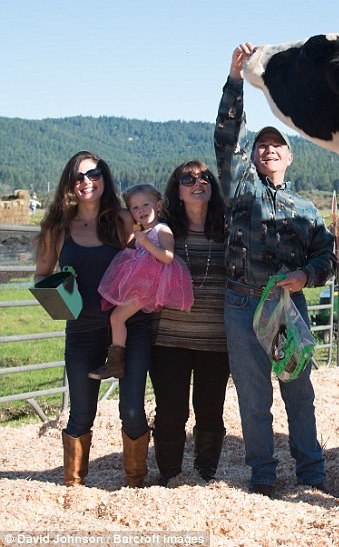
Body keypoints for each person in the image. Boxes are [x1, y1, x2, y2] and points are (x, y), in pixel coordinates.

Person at [215, 43, 337, 498]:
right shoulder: (240, 189)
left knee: (298, 394)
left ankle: (311, 473)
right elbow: (229, 135)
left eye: (277, 144)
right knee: (253, 398)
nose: (268, 148)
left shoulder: (305, 208)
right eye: (262, 144)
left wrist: (307, 276)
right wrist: (235, 78)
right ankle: (262, 474)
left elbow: (328, 257)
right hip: (242, 302)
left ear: (289, 157)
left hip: (287, 305)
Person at [34, 152, 151, 488]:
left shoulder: (125, 220)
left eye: (94, 174)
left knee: (131, 411)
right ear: (69, 184)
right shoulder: (56, 228)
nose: (87, 182)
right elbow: (42, 274)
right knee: (81, 413)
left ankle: (135, 483)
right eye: (78, 177)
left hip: (130, 329)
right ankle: (72, 486)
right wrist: (59, 294)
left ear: (105, 176)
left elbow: (150, 257)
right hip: (82, 330)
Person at [149, 161, 231, 486]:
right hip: (168, 337)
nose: (197, 182)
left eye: (204, 177)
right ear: (177, 191)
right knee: (171, 412)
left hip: (216, 340)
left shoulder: (228, 231)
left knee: (210, 411)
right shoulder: (164, 232)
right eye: (188, 178)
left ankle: (205, 474)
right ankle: (170, 474)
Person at [91, 184, 193, 380]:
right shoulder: (142, 232)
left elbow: (168, 257)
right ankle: (115, 358)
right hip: (141, 284)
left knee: (117, 318)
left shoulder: (161, 230)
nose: (141, 210)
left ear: (159, 205)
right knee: (115, 315)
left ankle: (115, 363)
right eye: (135, 208)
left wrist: (146, 243)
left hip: (149, 287)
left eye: (146, 204)